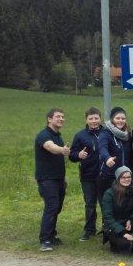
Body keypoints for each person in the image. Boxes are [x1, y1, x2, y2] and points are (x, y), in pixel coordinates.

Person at [35, 108, 70, 251]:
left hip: (58, 179)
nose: (61, 119)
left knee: (57, 207)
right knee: (52, 207)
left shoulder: (58, 135)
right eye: (57, 117)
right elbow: (50, 147)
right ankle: (44, 241)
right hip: (47, 179)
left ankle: (51, 236)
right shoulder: (44, 135)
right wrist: (62, 150)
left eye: (62, 117)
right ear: (49, 119)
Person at [69, 107, 103, 241]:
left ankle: (107, 228)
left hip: (104, 175)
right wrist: (78, 155)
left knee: (105, 202)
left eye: (96, 118)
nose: (94, 121)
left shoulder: (106, 133)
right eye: (91, 119)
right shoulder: (80, 135)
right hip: (87, 176)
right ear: (86, 119)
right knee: (90, 203)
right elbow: (71, 155)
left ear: (100, 119)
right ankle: (89, 230)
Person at [101, 166, 133, 257]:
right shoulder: (109, 194)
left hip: (126, 222)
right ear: (118, 178)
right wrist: (123, 232)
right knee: (124, 245)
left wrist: (130, 219)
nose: (126, 179)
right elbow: (108, 217)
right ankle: (113, 242)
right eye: (123, 177)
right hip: (113, 225)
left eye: (128, 177)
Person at [97, 106, 133, 207]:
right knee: (108, 204)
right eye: (118, 118)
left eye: (123, 118)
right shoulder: (105, 133)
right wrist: (107, 158)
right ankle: (107, 223)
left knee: (122, 204)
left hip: (124, 176)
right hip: (108, 175)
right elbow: (102, 147)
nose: (120, 121)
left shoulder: (127, 135)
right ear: (112, 119)